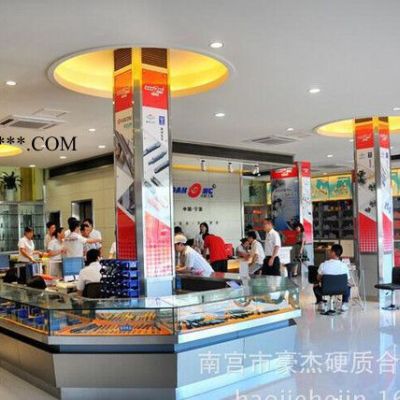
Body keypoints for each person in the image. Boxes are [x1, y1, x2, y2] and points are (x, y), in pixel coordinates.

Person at [313, 244, 351, 312]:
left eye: (330, 251)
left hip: (325, 290)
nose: (329, 252)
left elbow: (318, 278)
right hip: (341, 290)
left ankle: (321, 303)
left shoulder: (323, 265)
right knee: (348, 285)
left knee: (315, 285)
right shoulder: (344, 266)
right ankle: (344, 303)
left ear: (333, 253)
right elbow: (347, 279)